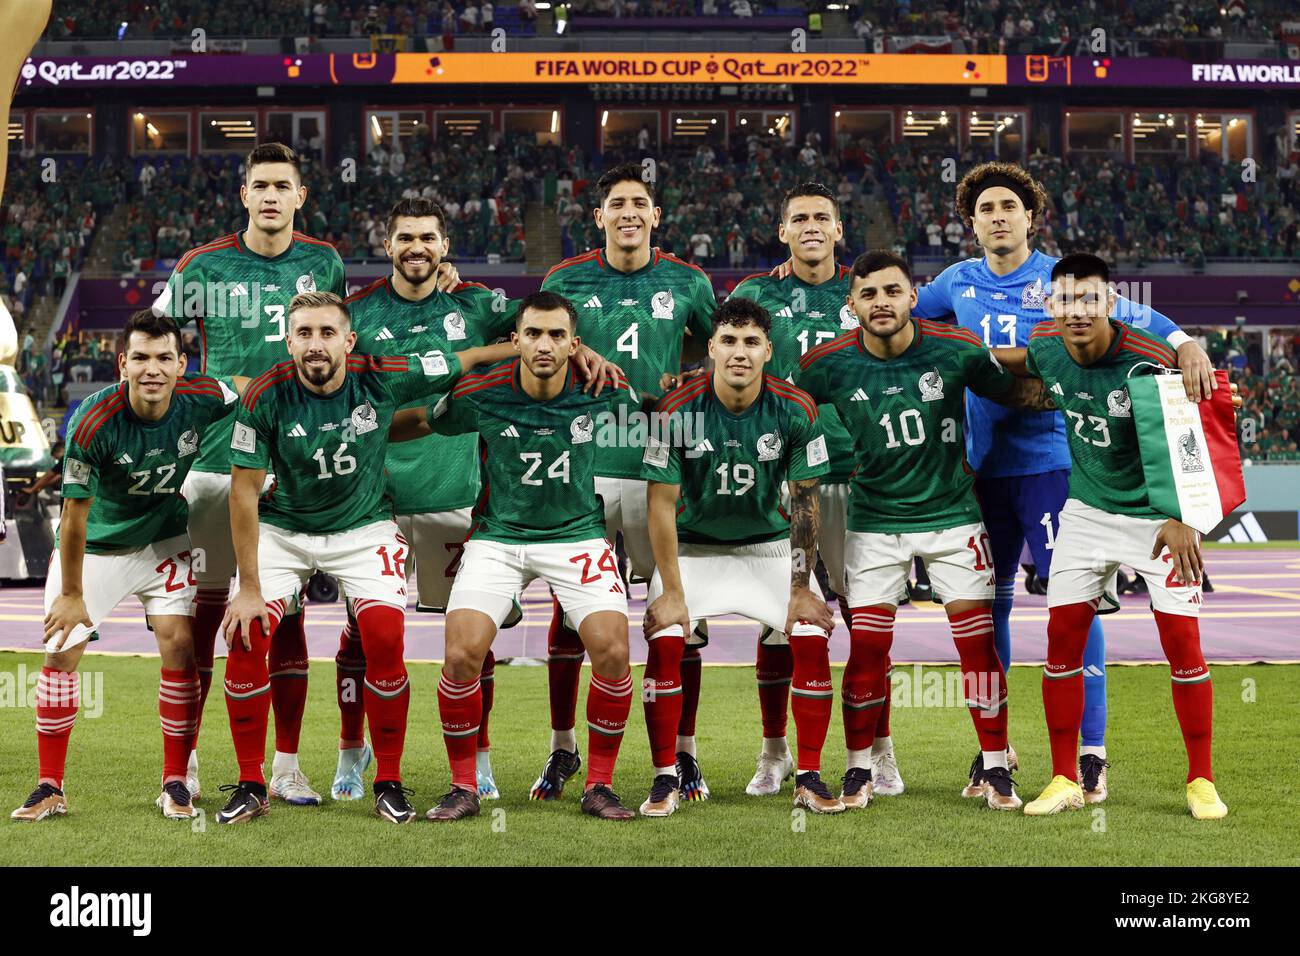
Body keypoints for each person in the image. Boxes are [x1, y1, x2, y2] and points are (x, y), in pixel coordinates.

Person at [153, 142, 461, 806]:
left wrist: (441, 280)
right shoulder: (200, 266)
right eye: (258, 184)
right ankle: (189, 763)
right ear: (244, 195)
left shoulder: (324, 261)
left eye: (281, 185)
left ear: (299, 196)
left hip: (300, 473)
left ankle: (286, 765)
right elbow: (158, 347)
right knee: (209, 621)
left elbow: (347, 332)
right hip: (219, 464)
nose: (269, 195)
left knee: (284, 624)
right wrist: (219, 385)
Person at [908, 161, 1214, 802]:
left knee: (1077, 606)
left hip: (1053, 467)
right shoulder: (951, 284)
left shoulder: (1061, 280)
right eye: (985, 208)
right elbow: (898, 318)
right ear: (970, 221)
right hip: (979, 467)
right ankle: (995, 752)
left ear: (1030, 216)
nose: (997, 216)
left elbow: (1144, 322)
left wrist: (1188, 342)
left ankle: (1090, 752)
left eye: (1009, 207)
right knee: (982, 612)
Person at [340, 196, 615, 801]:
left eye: (428, 238)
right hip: (370, 497)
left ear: (445, 248)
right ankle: (351, 750)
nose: (417, 248)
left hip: (452, 494)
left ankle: (479, 762)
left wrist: (586, 348)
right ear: (387, 246)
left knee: (472, 640)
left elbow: (547, 326)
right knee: (364, 636)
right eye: (405, 237)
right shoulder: (355, 312)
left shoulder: (480, 304)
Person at [217, 291, 515, 825]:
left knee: (383, 637)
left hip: (363, 527)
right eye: (304, 333)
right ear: (288, 342)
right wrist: (248, 587)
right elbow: (243, 492)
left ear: (349, 340)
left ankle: (389, 781)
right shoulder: (264, 394)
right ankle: (251, 782)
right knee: (246, 632)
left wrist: (521, 349)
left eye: (327, 333)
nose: (315, 344)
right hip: (285, 529)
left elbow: (463, 359)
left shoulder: (383, 374)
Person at [795, 250, 1053, 810]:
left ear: (913, 296)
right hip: (873, 526)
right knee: (866, 651)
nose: (881, 303)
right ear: (852, 305)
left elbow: (1018, 393)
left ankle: (994, 767)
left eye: (892, 291)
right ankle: (859, 771)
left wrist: (1088, 390)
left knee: (978, 651)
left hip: (954, 520)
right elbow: (777, 410)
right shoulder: (825, 364)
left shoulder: (957, 348)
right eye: (868, 294)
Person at [392, 291, 647, 822]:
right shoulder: (480, 390)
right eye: (533, 333)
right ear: (516, 340)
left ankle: (598, 784)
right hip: (498, 538)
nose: (544, 344)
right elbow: (426, 420)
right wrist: (367, 432)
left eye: (557, 335)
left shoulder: (604, 387)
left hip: (576, 534)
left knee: (614, 652)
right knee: (461, 655)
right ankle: (463, 787)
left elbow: (655, 426)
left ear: (575, 344)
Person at [1007, 254, 1229, 821]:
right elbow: (1013, 361)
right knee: (1060, 644)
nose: (1076, 311)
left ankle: (1201, 780)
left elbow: (1193, 445)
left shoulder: (1151, 362)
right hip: (1084, 513)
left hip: (1157, 518)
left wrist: (1186, 520)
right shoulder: (1045, 347)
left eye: (1089, 300)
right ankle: (1062, 777)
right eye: (1065, 301)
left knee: (1183, 646)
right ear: (1050, 307)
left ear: (1111, 304)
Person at [11, 311, 244, 823]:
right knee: (60, 653)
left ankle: (176, 781)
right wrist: (72, 594)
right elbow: (74, 515)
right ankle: (50, 785)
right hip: (94, 548)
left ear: (182, 364)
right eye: (140, 357)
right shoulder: (94, 421)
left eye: (164, 358)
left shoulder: (202, 397)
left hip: (163, 542)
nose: (152, 369)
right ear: (123, 363)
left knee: (180, 646)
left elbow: (247, 389)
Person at [532, 163, 716, 802]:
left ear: (655, 216)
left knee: (675, 615)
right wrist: (575, 352)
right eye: (617, 204)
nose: (629, 212)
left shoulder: (688, 282)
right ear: (600, 216)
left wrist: (684, 382)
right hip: (581, 466)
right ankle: (563, 751)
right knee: (569, 619)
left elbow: (721, 351)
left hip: (660, 469)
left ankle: (682, 757)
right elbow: (530, 344)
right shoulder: (565, 281)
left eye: (641, 202)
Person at [640, 296, 837, 816]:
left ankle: (810, 775)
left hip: (767, 548)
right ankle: (666, 776)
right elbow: (659, 506)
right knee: (665, 635)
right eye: (728, 341)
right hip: (692, 549)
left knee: (812, 633)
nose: (739, 352)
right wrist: (673, 591)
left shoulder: (797, 408)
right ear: (711, 347)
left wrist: (800, 588)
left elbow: (805, 504)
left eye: (751, 342)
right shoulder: (675, 409)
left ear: (768, 350)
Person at [729, 183, 896, 796]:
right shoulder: (756, 293)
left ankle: (878, 748)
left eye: (822, 217)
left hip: (857, 472)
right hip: (778, 477)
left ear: (839, 228)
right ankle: (774, 752)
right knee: (779, 620)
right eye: (798, 219)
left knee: (867, 617)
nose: (811, 227)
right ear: (782, 232)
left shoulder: (868, 290)